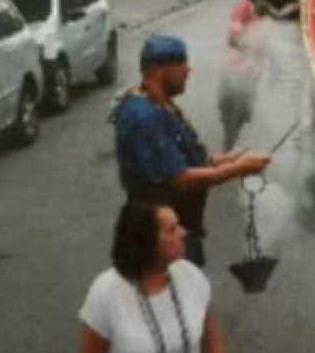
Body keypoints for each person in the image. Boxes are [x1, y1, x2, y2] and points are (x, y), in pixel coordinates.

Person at [110, 35, 270, 267]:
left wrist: (226, 160)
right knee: (179, 298)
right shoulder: (145, 117)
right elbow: (181, 178)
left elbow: (182, 158)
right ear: (160, 70)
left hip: (179, 227)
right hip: (160, 236)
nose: (188, 69)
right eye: (181, 63)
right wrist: (240, 168)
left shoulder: (160, 104)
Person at [77, 202, 234, 353]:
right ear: (146, 241)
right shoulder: (106, 292)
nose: (183, 233)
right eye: (172, 230)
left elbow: (211, 342)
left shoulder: (191, 276)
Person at [218, 0, 265, 153]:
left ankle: (233, 146)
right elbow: (233, 36)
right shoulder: (243, 7)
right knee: (229, 114)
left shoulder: (271, 16)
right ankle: (228, 148)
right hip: (233, 71)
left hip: (252, 75)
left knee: (244, 114)